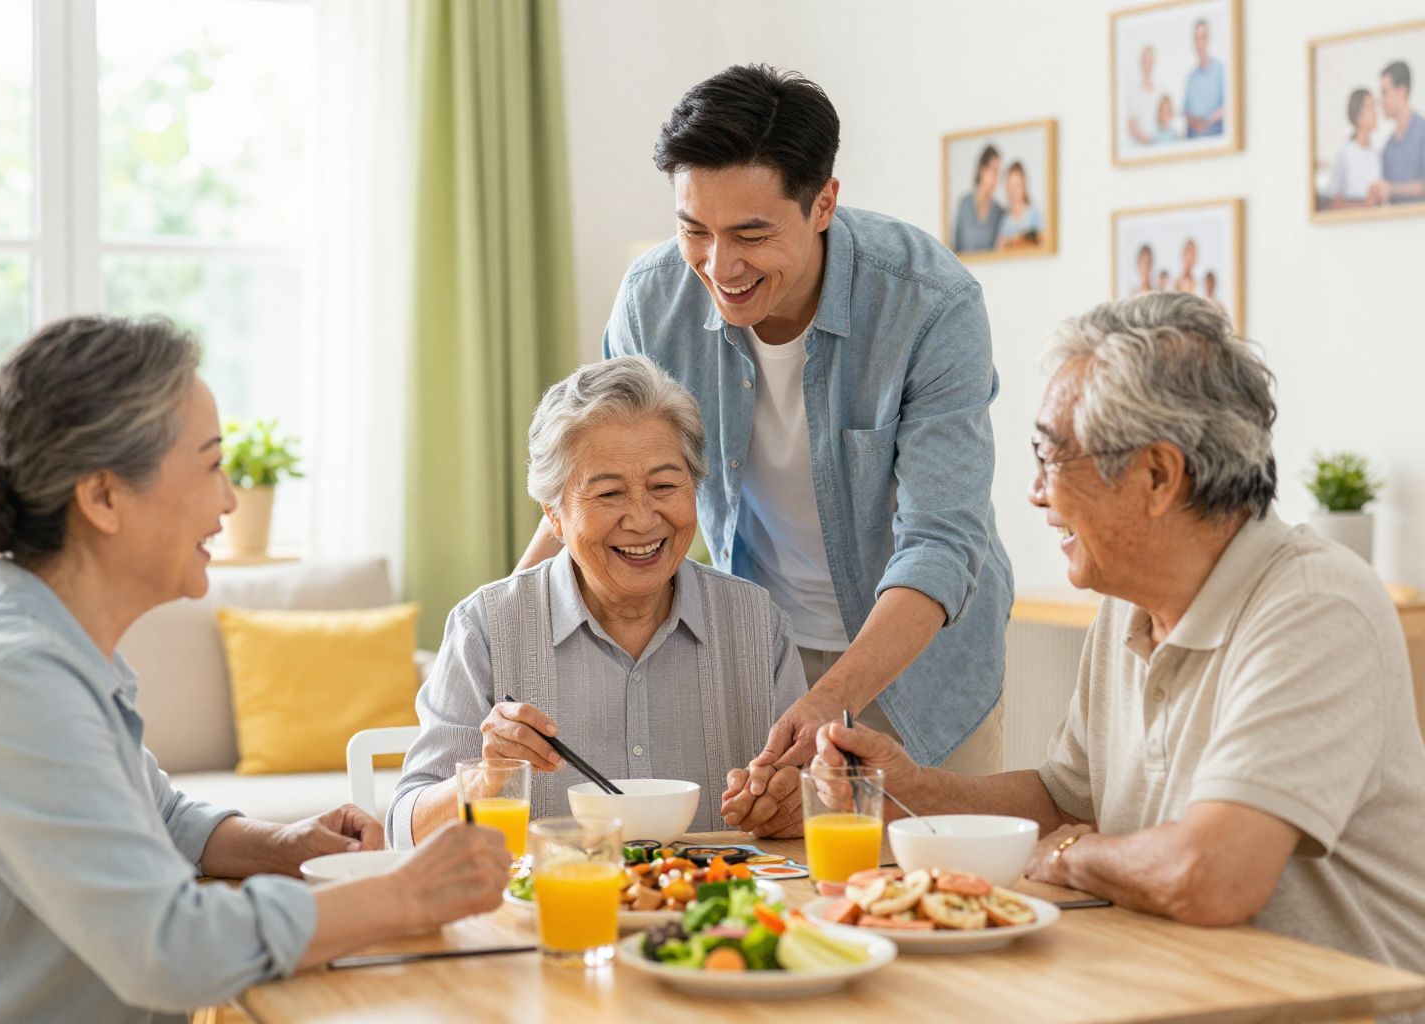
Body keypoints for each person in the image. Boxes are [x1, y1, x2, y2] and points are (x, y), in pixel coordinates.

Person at [0, 316, 511, 1023]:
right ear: (103, 497)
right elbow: (168, 949)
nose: (229, 500)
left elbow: (156, 814)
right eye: (212, 465)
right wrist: (403, 892)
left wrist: (284, 845)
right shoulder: (13, 681)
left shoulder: (54, 646)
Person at [809, 293, 1425, 996]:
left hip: (1332, 1007)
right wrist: (912, 792)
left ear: (1158, 476)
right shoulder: (1126, 602)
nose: (1036, 493)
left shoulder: (1314, 607)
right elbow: (1067, 799)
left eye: (1051, 456)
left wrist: (1072, 856)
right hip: (1175, 989)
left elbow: (1209, 876)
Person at [515, 65, 1013, 834]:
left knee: (934, 882)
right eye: (694, 230)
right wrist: (501, 641)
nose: (720, 267)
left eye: (751, 235)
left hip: (919, 662)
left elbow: (942, 542)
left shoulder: (929, 304)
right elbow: (589, 483)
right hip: (757, 655)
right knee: (772, 884)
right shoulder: (653, 299)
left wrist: (829, 701)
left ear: (824, 204)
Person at [389, 356, 810, 848]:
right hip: (552, 895)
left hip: (719, 896)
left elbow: (811, 801)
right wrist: (487, 778)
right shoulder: (485, 628)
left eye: (664, 485)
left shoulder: (756, 623)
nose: (642, 519)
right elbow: (403, 831)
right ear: (554, 515)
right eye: (608, 493)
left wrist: (790, 805)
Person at [1370, 61, 1425, 205]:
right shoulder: (1388, 147)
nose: (1381, 101)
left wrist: (1392, 189)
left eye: (1385, 92)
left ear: (1402, 91)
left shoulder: (1422, 132)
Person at [1324, 88, 1382, 209]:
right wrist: (1364, 205)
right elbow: (1331, 202)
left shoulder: (1377, 155)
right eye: (1370, 107)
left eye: (1375, 106)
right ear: (1358, 117)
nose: (1375, 113)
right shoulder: (1345, 153)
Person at [953, 144, 1006, 252]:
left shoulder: (999, 212)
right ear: (982, 170)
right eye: (994, 170)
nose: (997, 177)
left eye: (998, 172)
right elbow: (955, 246)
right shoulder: (964, 204)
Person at [1183, 18, 1226, 139]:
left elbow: (1229, 107)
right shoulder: (1191, 78)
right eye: (1196, 39)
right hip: (1194, 140)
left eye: (1203, 38)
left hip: (1215, 137)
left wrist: (1208, 121)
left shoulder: (1220, 71)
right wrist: (1194, 122)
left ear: (1208, 39)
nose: (1200, 44)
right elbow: (1186, 111)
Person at [996, 161, 1044, 250]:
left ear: (1024, 185)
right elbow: (1000, 250)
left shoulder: (1035, 215)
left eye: (1017, 185)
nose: (1013, 191)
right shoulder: (1005, 222)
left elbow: (1043, 243)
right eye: (1010, 186)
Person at [1126, 45, 1160, 146]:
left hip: (1158, 145)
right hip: (1140, 147)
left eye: (1150, 60)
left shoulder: (1160, 90)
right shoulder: (1134, 92)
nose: (1147, 64)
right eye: (1145, 60)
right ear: (1140, 63)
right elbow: (1130, 124)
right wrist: (1145, 139)